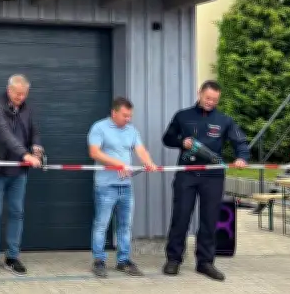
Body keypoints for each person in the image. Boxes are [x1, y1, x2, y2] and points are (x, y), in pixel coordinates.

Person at [162, 80, 249, 281]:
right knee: (181, 217)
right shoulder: (182, 116)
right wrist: (180, 142)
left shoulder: (224, 120)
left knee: (209, 220)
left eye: (215, 100)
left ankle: (205, 262)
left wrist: (241, 157)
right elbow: (167, 138)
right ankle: (173, 259)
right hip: (187, 175)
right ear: (199, 93)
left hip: (213, 177)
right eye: (208, 98)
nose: (211, 102)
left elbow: (241, 142)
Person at [0, 74, 43, 277]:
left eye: (24, 94)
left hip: (18, 171)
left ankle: (12, 256)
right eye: (17, 93)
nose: (20, 97)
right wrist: (24, 154)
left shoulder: (28, 108)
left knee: (17, 212)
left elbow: (34, 131)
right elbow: (4, 134)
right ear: (9, 90)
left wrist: (36, 149)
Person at [87, 97, 158, 278]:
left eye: (130, 116)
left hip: (125, 187)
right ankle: (99, 261)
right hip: (105, 186)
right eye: (125, 116)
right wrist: (118, 164)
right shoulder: (99, 127)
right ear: (114, 113)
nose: (128, 119)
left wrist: (148, 162)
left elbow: (140, 150)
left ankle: (123, 261)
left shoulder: (131, 130)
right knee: (101, 224)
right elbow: (94, 152)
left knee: (125, 226)